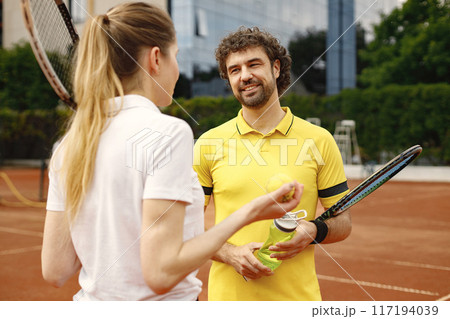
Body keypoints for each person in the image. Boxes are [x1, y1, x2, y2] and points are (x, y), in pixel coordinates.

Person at [41, 4, 302, 301]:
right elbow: (161, 273)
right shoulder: (169, 133)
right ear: (155, 58)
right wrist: (252, 212)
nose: (176, 70)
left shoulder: (69, 144)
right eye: (175, 57)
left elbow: (56, 269)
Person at [193, 27, 352, 301]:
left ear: (276, 68)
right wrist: (228, 253)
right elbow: (183, 228)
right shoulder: (208, 143)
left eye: (254, 64)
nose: (245, 76)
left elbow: (343, 221)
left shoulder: (319, 140)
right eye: (234, 70)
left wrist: (315, 230)